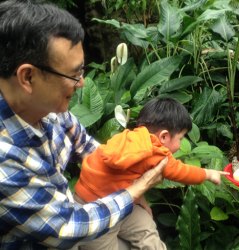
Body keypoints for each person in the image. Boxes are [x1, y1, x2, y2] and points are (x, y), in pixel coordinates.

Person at [0, 1, 167, 249]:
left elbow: (86, 146)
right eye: (74, 74)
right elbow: (68, 226)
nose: (81, 83)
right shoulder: (5, 159)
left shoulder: (46, 107)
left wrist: (124, 174)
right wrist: (135, 189)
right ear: (28, 77)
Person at [74, 97, 230, 249]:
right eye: (181, 138)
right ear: (163, 136)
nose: (181, 143)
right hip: (94, 214)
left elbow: (122, 178)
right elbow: (180, 171)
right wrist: (208, 174)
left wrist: (141, 200)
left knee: (146, 224)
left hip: (107, 199)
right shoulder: (155, 151)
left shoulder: (127, 137)